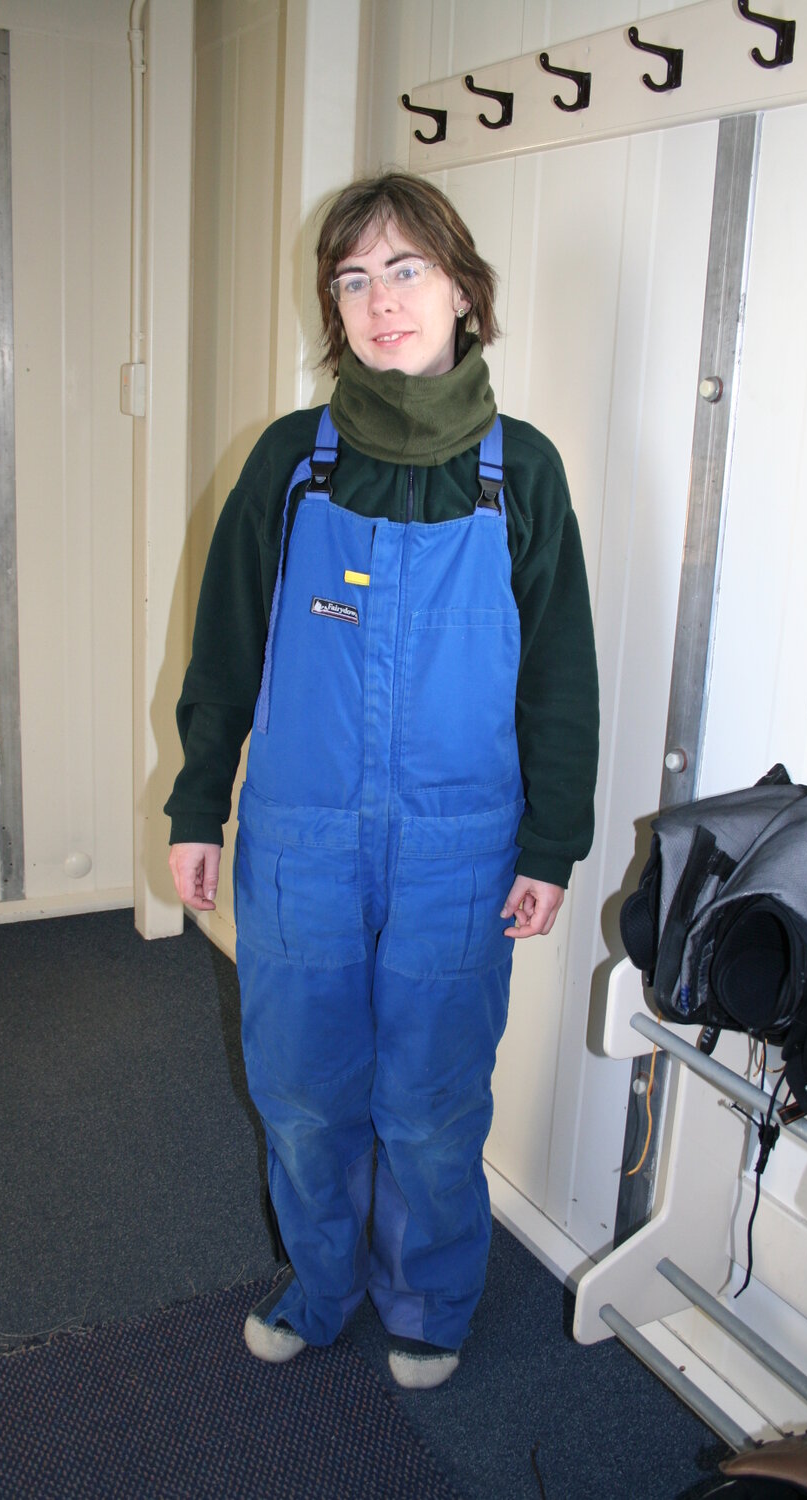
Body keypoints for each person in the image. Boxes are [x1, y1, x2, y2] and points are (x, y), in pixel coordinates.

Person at [166, 171, 599, 1390]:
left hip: (461, 849)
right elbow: (224, 648)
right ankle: (319, 1285)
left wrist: (548, 844)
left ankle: (431, 1299)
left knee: (430, 1102)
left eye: (405, 270)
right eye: (352, 279)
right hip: (301, 839)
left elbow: (560, 674)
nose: (379, 300)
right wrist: (200, 802)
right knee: (302, 1094)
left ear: (463, 292)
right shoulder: (291, 465)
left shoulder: (523, 473)